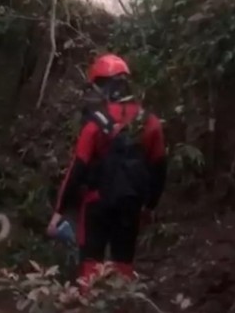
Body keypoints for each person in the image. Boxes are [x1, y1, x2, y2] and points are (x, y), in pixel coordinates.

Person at [46, 53, 167, 288]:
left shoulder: (95, 124)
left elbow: (77, 169)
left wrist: (59, 211)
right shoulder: (150, 122)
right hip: (131, 204)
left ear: (103, 86)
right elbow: (159, 168)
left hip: (96, 203)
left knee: (91, 262)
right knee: (123, 262)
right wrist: (150, 206)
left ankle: (89, 304)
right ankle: (120, 303)